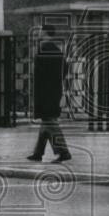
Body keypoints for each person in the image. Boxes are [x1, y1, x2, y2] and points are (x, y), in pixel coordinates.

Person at [27, 23, 72, 163]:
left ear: (45, 33)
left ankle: (64, 151)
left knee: (50, 122)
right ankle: (38, 153)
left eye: (40, 31)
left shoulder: (43, 50)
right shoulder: (57, 50)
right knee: (46, 123)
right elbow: (65, 69)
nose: (39, 33)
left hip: (45, 92)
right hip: (55, 90)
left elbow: (38, 73)